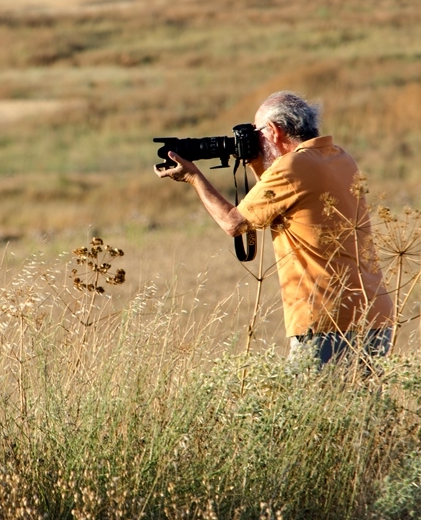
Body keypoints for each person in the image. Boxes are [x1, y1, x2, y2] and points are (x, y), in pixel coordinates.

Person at [155, 90, 393, 367]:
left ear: (274, 131)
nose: (253, 141)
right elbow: (277, 204)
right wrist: (259, 163)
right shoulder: (339, 157)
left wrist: (194, 178)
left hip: (326, 316)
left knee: (306, 409)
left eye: (256, 133)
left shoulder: (293, 166)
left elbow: (234, 223)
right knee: (363, 407)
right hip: (374, 312)